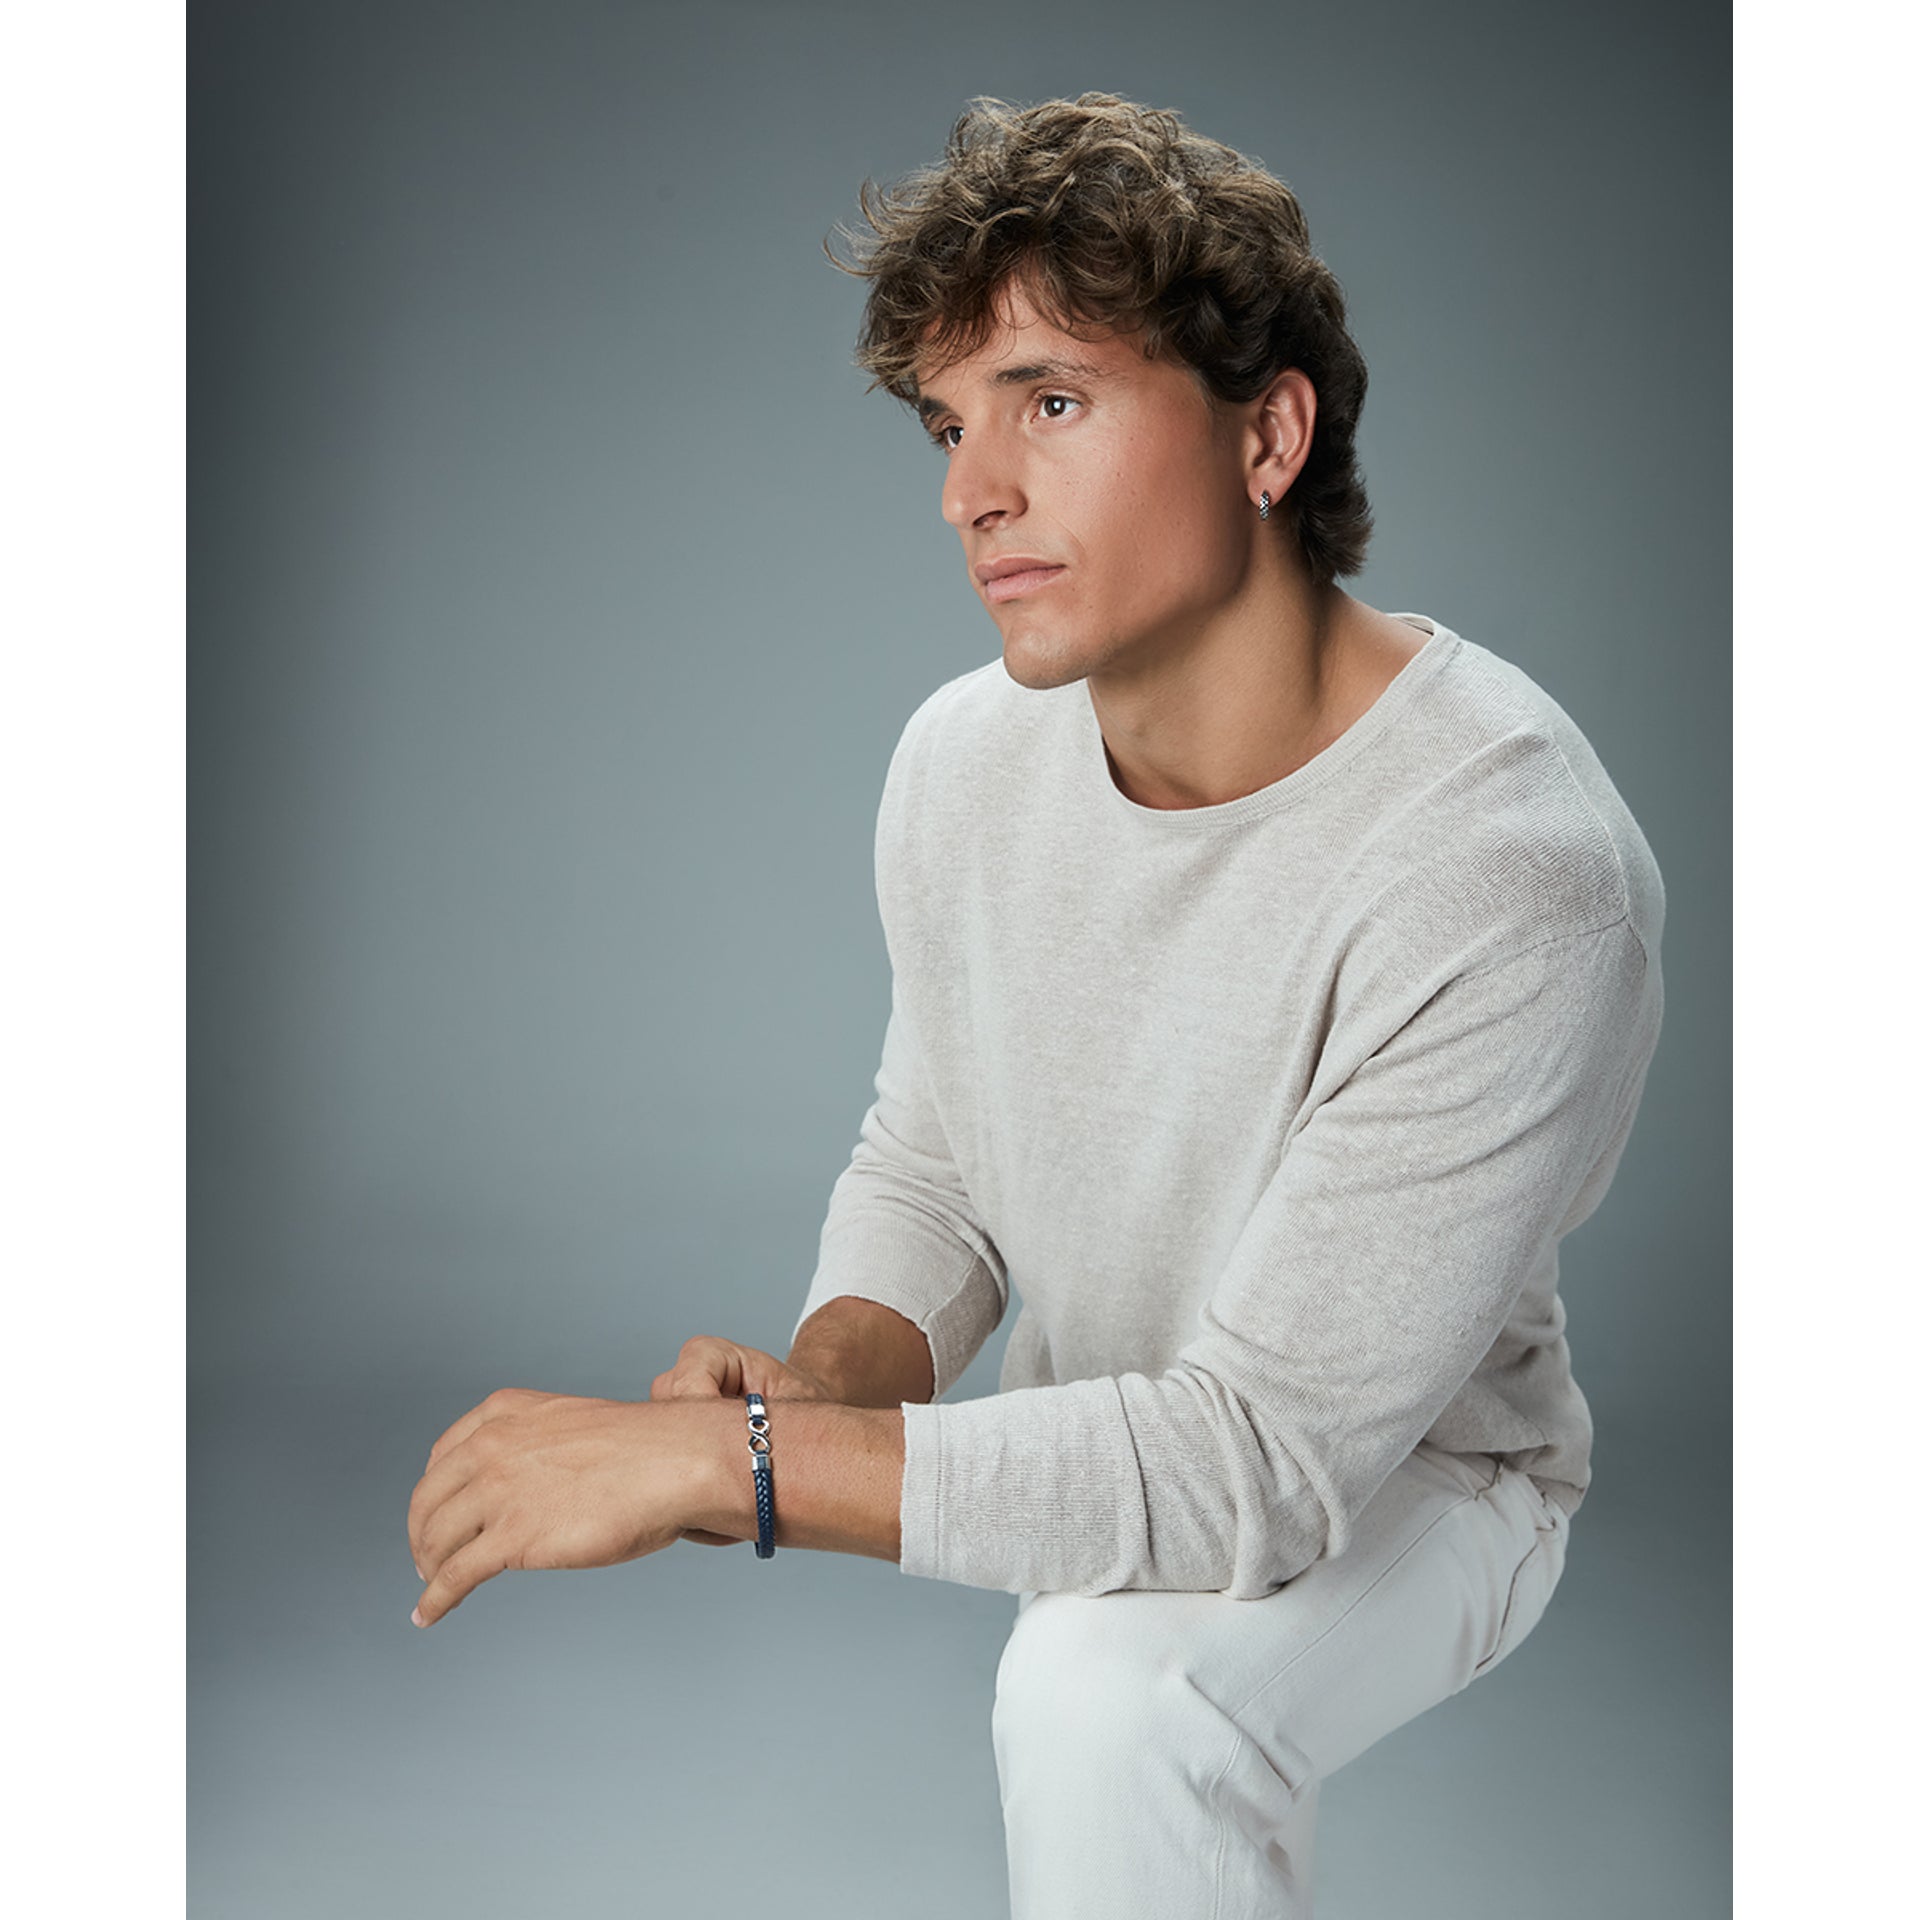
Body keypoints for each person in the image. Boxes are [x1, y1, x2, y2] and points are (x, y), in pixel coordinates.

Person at [407, 93, 1664, 1918]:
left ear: (1268, 435)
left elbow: (1257, 1464)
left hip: (1415, 1470)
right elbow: (942, 1156)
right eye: (949, 422)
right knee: (1089, 1684)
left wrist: (737, 1467)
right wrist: (832, 1378)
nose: (968, 491)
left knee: (1105, 1701)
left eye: (1050, 402)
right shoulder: (964, 761)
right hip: (1134, 1433)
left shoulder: (1507, 864)